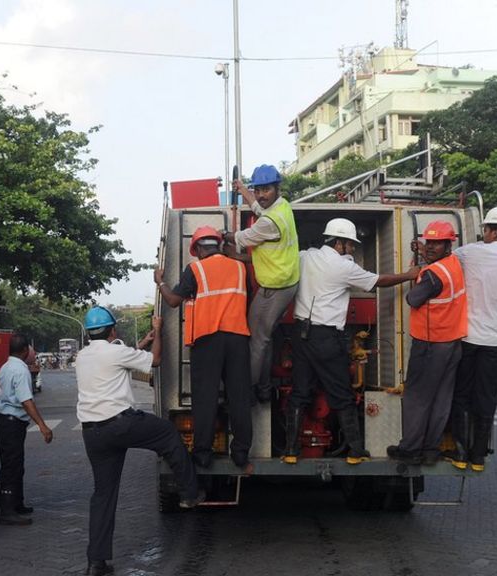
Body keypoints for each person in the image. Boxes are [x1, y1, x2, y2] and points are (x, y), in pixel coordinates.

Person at [75, 306, 202, 576]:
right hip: (121, 425)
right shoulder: (115, 352)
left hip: (93, 434)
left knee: (103, 496)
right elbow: (154, 361)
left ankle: (96, 563)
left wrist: (140, 343)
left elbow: (116, 360)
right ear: (112, 330)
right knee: (168, 433)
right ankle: (190, 493)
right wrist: (158, 332)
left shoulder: (82, 356)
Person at [284, 218, 418, 465]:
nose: (354, 249)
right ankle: (356, 451)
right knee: (342, 395)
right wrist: (408, 275)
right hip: (327, 338)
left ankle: (291, 451)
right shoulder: (344, 267)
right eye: (351, 244)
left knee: (300, 392)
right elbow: (379, 281)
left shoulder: (305, 257)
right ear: (338, 243)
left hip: (301, 336)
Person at [155, 225, 253, 471]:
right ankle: (240, 453)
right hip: (238, 338)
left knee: (205, 399)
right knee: (240, 397)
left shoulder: (196, 268)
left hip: (207, 340)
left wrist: (160, 283)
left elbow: (173, 301)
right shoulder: (240, 268)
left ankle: (203, 454)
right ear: (218, 245)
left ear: (198, 248)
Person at [444, 206, 497, 472]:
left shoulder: (467, 253)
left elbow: (445, 266)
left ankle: (459, 451)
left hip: (466, 337)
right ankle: (478, 456)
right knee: (486, 396)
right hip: (496, 342)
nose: (483, 233)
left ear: (493, 231)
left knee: (461, 393)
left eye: (485, 229)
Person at [386, 221, 467, 466]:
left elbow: (413, 298)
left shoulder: (433, 275)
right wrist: (422, 252)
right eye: (428, 242)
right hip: (452, 343)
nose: (431, 247)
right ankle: (431, 450)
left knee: (417, 397)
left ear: (448, 245)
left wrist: (419, 271)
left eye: (436, 243)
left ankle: (410, 449)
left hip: (431, 344)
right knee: (441, 398)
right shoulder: (453, 265)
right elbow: (436, 268)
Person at [223, 164, 300, 403]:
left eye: (265, 190)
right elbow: (257, 207)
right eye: (257, 190)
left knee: (256, 340)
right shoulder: (281, 205)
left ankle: (245, 390)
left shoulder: (270, 222)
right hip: (285, 281)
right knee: (264, 338)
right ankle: (265, 388)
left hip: (275, 287)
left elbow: (241, 238)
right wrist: (243, 190)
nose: (260, 195)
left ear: (277, 188)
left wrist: (221, 235)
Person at [0, 334, 54, 526]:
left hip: (7, 422)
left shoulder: (6, 366)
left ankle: (16, 503)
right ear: (25, 351)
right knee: (11, 466)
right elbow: (26, 401)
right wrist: (42, 425)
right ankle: (7, 511)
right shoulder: (19, 370)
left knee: (15, 464)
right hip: (12, 423)